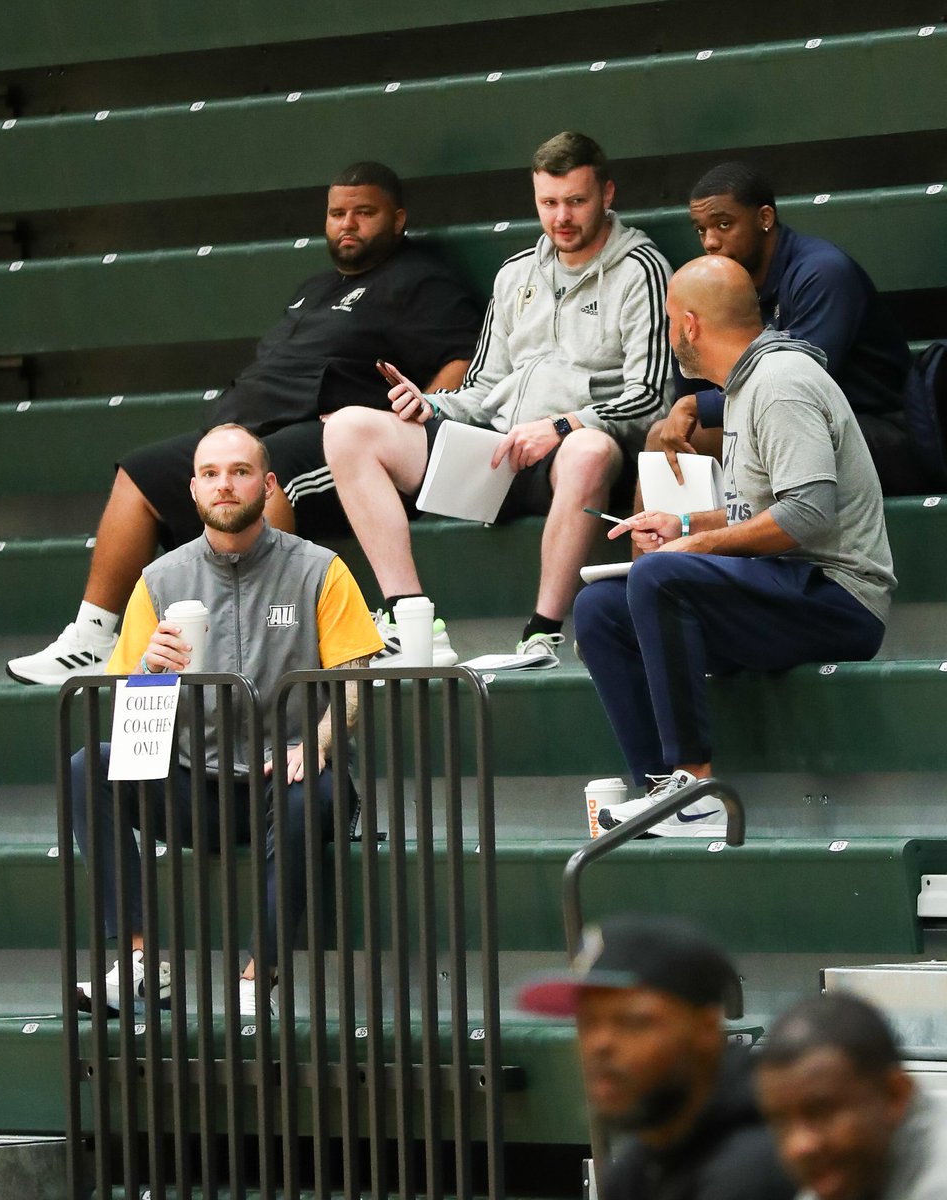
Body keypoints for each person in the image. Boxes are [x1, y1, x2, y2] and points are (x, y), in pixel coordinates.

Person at [8, 161, 480, 686]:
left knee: (264, 473)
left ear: (397, 218)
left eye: (364, 212)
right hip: (247, 427)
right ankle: (92, 638)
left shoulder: (422, 280)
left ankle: (257, 641)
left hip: (329, 434)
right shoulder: (313, 289)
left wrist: (409, 418)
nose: (347, 224)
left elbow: (461, 362)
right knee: (139, 473)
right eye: (336, 213)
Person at [322, 131, 673, 667]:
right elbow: (484, 388)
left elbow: (651, 398)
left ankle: (543, 631)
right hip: (497, 448)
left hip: (575, 453)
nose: (562, 218)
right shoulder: (515, 274)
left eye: (576, 201)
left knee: (591, 452)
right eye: (548, 203)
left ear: (607, 194)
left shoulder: (640, 270)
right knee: (347, 427)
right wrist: (433, 406)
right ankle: (411, 616)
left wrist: (562, 426)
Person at [574, 254, 895, 837]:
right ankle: (658, 793)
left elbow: (807, 514)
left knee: (656, 577)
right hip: (782, 586)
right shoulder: (747, 386)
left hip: (837, 597)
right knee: (599, 609)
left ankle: (695, 792)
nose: (671, 337)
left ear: (690, 325)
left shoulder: (780, 384)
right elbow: (759, 510)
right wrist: (685, 526)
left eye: (671, 322)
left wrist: (692, 552)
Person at [71, 424, 384, 1018]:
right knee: (90, 766)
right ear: (193, 490)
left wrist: (316, 742)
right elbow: (131, 716)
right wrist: (148, 676)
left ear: (267, 486)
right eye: (211, 474)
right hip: (200, 787)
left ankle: (254, 975)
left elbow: (353, 678)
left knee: (308, 789)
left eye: (240, 472)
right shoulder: (160, 581)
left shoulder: (320, 569)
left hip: (286, 777)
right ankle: (142, 962)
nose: (225, 485)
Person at [641, 161, 916, 512]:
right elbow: (694, 378)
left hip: (873, 429)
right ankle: (659, 565)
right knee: (667, 437)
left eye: (724, 224)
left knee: (712, 433)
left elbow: (800, 381)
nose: (710, 242)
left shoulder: (823, 273)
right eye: (701, 229)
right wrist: (688, 402)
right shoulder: (724, 283)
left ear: (765, 218)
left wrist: (698, 405)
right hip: (784, 419)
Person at [518, 914, 794, 1200]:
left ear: (706, 1029)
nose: (600, 1044)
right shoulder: (641, 1164)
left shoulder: (757, 1167)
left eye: (632, 1021)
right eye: (588, 1023)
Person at [756, 992, 947, 1200]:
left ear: (895, 1095)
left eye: (821, 1113)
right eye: (781, 1123)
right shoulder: (844, 1178)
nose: (800, 1146)